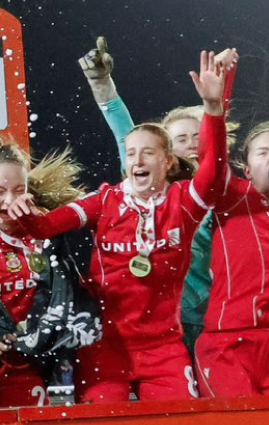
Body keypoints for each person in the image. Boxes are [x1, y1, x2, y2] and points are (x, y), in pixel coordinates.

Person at [6, 50, 233, 403]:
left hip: (165, 348)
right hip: (105, 346)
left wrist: (215, 107)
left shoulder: (184, 203)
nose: (137, 161)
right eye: (130, 154)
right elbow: (43, 228)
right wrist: (25, 213)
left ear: (168, 162)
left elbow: (214, 169)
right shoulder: (106, 200)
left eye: (148, 153)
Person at [80, 43, 236, 354]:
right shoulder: (142, 184)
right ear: (164, 151)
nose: (192, 144)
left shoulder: (216, 187)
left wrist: (223, 79)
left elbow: (215, 133)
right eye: (181, 139)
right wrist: (101, 84)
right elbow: (123, 130)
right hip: (158, 321)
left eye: (196, 136)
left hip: (212, 315)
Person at [189, 61, 266, 396]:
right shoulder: (233, 196)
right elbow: (212, 158)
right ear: (246, 169)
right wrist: (215, 105)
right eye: (265, 152)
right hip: (228, 345)